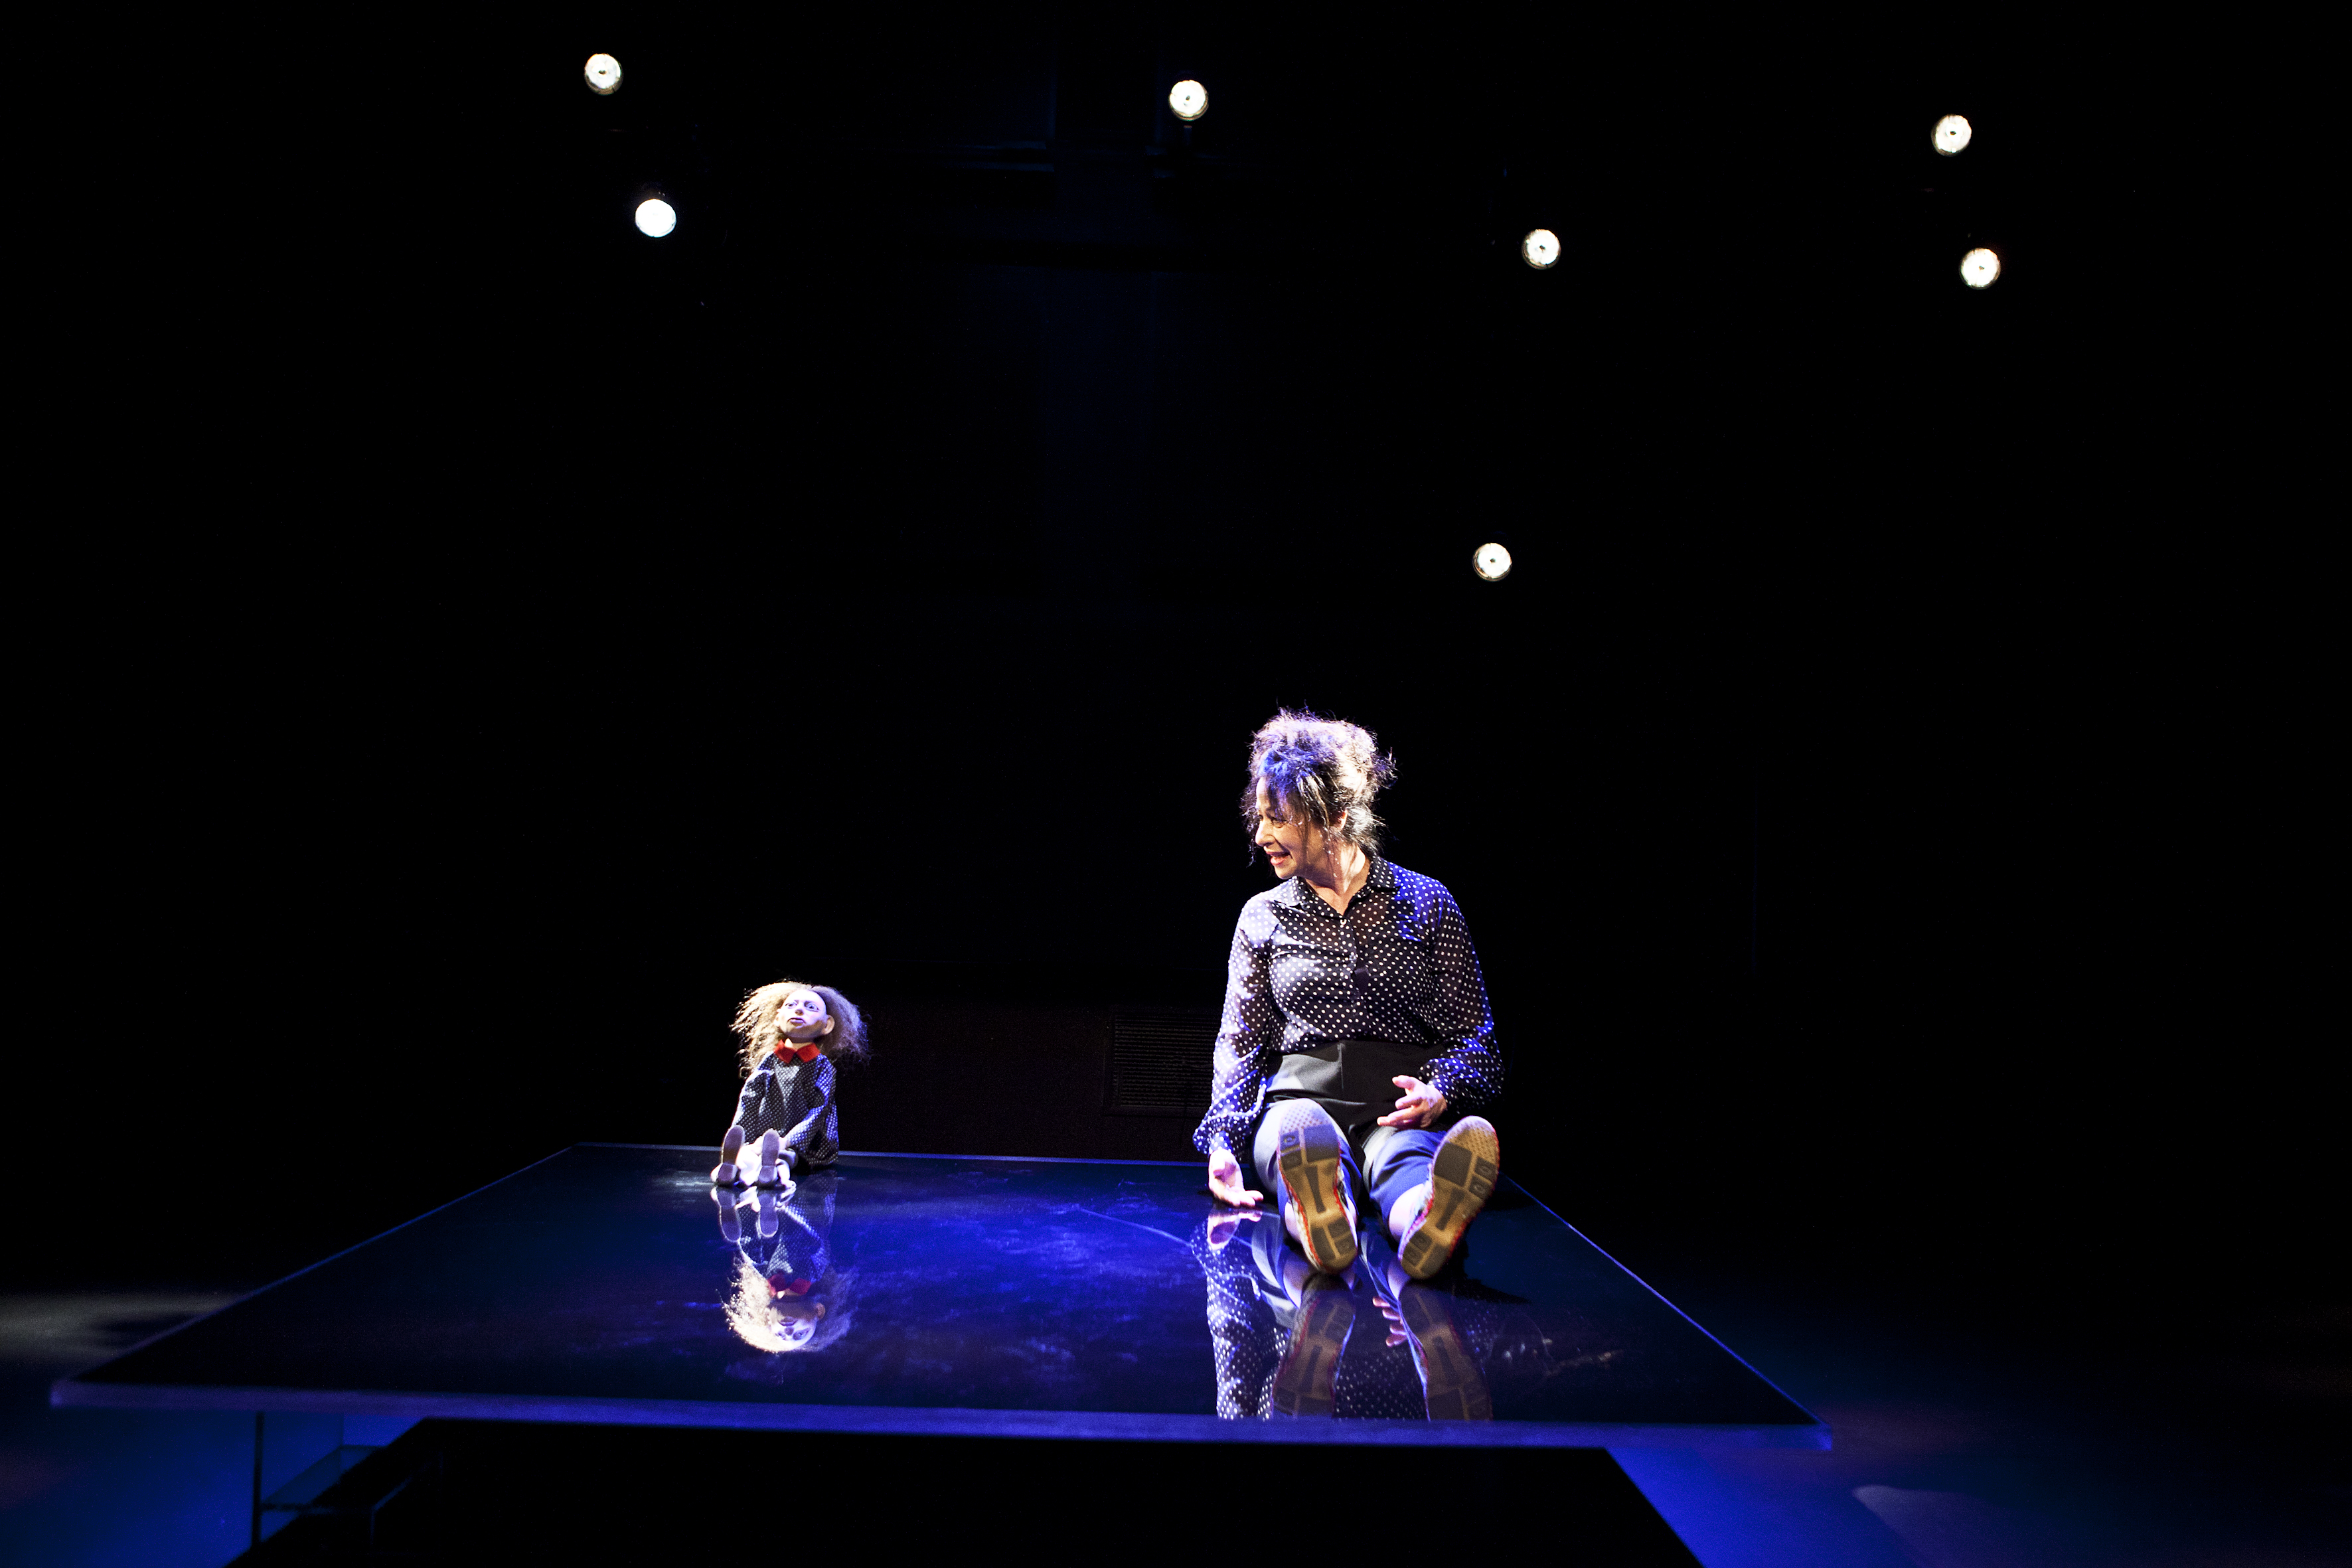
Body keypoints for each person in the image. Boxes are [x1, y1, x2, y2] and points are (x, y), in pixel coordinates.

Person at [1196, 712, 1502, 1281]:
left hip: (1396, 1108)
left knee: (1406, 1163)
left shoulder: (1427, 903)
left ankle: (1427, 1222)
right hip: (1298, 1105)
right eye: (1259, 818)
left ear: (1335, 817)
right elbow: (1239, 1043)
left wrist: (1441, 1091)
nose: (1260, 836)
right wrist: (1222, 1144)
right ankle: (1323, 1218)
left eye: (1277, 818)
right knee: (1301, 1148)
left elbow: (1476, 1038)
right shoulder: (1262, 915)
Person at [712, 980, 867, 1188]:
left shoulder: (822, 1066)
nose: (799, 1011)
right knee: (749, 1151)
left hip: (808, 1143)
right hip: (765, 1136)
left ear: (827, 1024)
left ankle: (772, 1169)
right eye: (791, 1005)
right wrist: (743, 1134)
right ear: (778, 1018)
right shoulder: (770, 1060)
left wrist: (788, 1140)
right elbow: (750, 1098)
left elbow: (818, 1112)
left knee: (787, 1155)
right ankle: (732, 1166)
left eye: (811, 1008)